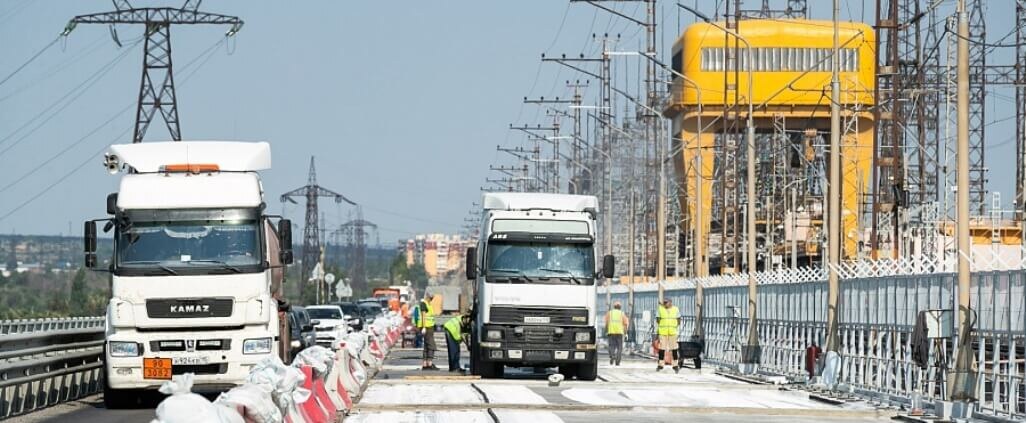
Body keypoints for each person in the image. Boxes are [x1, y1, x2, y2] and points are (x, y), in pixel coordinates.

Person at [656, 298, 680, 372]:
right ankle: (660, 364)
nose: (665, 304)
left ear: (670, 302)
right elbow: (658, 319)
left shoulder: (676, 309)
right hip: (663, 332)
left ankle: (675, 365)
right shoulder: (660, 309)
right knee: (662, 349)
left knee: (674, 349)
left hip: (673, 332)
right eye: (664, 302)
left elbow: (679, 319)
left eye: (666, 302)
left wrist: (675, 326)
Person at [416, 294, 438, 370]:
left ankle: (425, 364)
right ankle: (429, 363)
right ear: (427, 297)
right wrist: (424, 327)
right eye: (431, 298)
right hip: (427, 328)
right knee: (432, 346)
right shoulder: (423, 304)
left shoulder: (428, 304)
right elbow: (423, 316)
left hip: (430, 327)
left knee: (426, 346)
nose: (431, 299)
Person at [605, 302, 629, 366]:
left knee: (611, 346)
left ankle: (612, 356)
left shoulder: (610, 313)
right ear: (620, 307)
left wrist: (606, 331)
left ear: (614, 306)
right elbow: (626, 324)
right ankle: (617, 362)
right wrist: (626, 333)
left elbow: (606, 323)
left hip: (611, 332)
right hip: (619, 333)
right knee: (619, 347)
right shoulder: (622, 314)